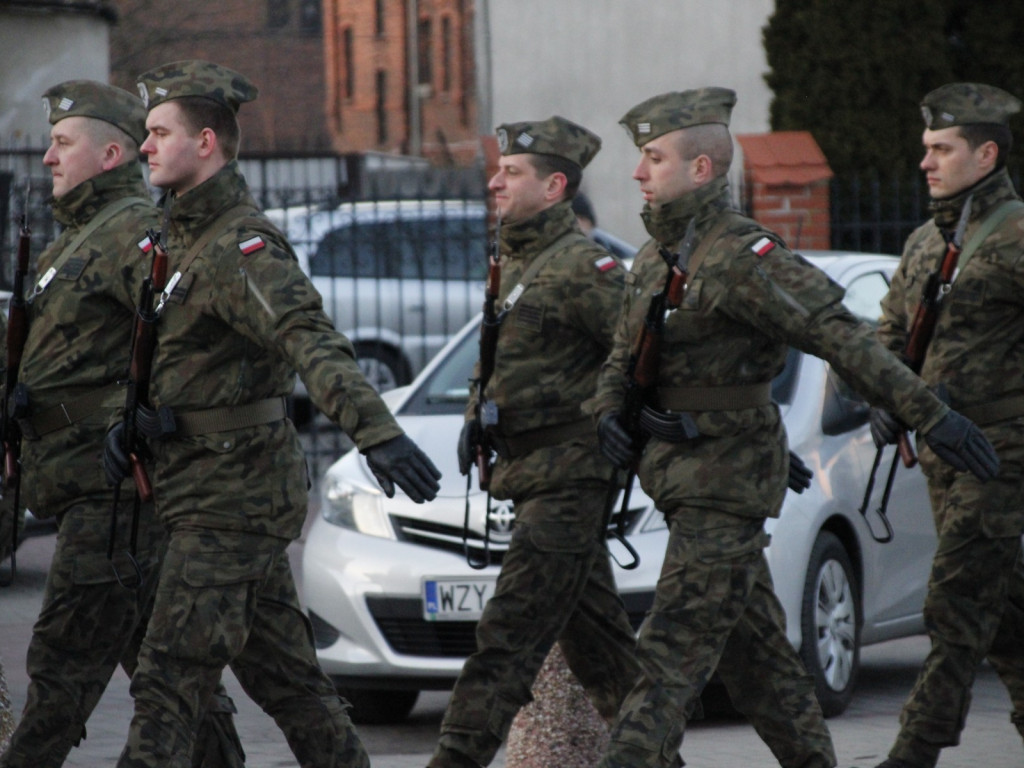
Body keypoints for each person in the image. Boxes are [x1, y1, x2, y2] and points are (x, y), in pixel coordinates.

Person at [591, 87, 1000, 768]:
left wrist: (932, 415)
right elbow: (623, 355)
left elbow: (842, 338)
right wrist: (611, 408)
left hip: (725, 483)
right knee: (762, 667)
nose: (638, 172)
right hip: (678, 479)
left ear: (700, 169)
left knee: (667, 655)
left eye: (654, 158)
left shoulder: (741, 256)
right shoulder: (655, 258)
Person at [102, 60, 440, 768]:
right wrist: (131, 423)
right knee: (290, 684)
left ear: (207, 143)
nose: (144, 146)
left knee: (167, 678)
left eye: (160, 132)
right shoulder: (178, 239)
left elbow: (310, 340)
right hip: (199, 490)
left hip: (234, 500)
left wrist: (376, 431)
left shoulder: (240, 245)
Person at [0, 80, 243, 768]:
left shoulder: (132, 236)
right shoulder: (72, 242)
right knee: (165, 671)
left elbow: (183, 340)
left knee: (64, 666)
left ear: (110, 155)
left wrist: (137, 423)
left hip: (107, 496)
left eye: (62, 143)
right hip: (76, 486)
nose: (47, 157)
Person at [425, 116, 641, 768]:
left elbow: (640, 361)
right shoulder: (519, 257)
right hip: (532, 474)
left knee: (506, 639)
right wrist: (475, 415)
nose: (495, 180)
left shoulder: (585, 266)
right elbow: (499, 356)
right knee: (605, 659)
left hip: (569, 478)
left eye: (511, 172)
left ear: (554, 187)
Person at [867, 83, 1024, 768]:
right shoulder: (926, 241)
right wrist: (881, 391)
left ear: (985, 153)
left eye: (941, 148)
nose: (925, 161)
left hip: (1001, 453)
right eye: (925, 147)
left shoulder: (1018, 235)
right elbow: (890, 334)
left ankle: (914, 751)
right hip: (941, 456)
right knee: (1005, 614)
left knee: (955, 604)